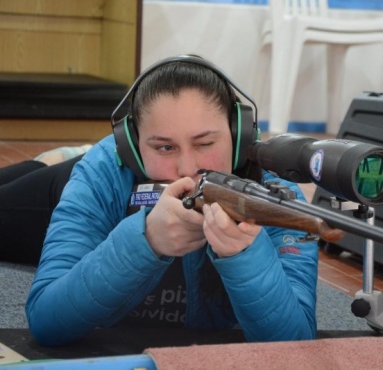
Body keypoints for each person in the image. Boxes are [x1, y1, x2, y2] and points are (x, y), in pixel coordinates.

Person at [22, 55, 319, 346]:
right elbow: (46, 320)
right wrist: (145, 241)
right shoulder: (101, 173)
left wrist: (244, 255)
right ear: (133, 148)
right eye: (165, 147)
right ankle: (47, 164)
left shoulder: (277, 194)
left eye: (205, 143)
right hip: (56, 190)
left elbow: (296, 344)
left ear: (237, 137)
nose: (187, 168)